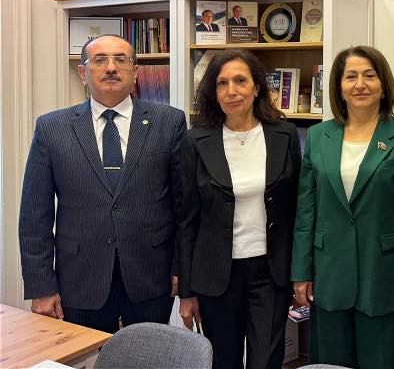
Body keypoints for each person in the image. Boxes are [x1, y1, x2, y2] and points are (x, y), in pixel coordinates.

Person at [18, 34, 185, 332]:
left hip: (151, 276)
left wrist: (181, 268)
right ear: (83, 73)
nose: (111, 67)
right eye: (100, 60)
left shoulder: (169, 122)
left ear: (135, 71)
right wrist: (41, 287)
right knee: (84, 355)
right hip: (79, 278)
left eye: (121, 60)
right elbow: (34, 215)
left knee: (147, 355)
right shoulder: (51, 128)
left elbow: (183, 205)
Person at [291, 45, 394, 369]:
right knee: (332, 363)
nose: (360, 84)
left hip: (386, 276)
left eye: (369, 75)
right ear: (339, 86)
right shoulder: (318, 136)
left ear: (383, 84)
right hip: (329, 274)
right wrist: (301, 272)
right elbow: (306, 212)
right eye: (351, 76)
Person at [178, 49, 300, 369]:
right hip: (216, 276)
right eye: (222, 83)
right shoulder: (195, 141)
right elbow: (186, 221)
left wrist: (300, 273)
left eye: (240, 81)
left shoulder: (284, 135)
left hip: (270, 273)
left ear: (256, 87)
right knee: (224, 362)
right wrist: (187, 292)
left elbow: (296, 211)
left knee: (265, 361)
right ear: (213, 91)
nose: (231, 91)